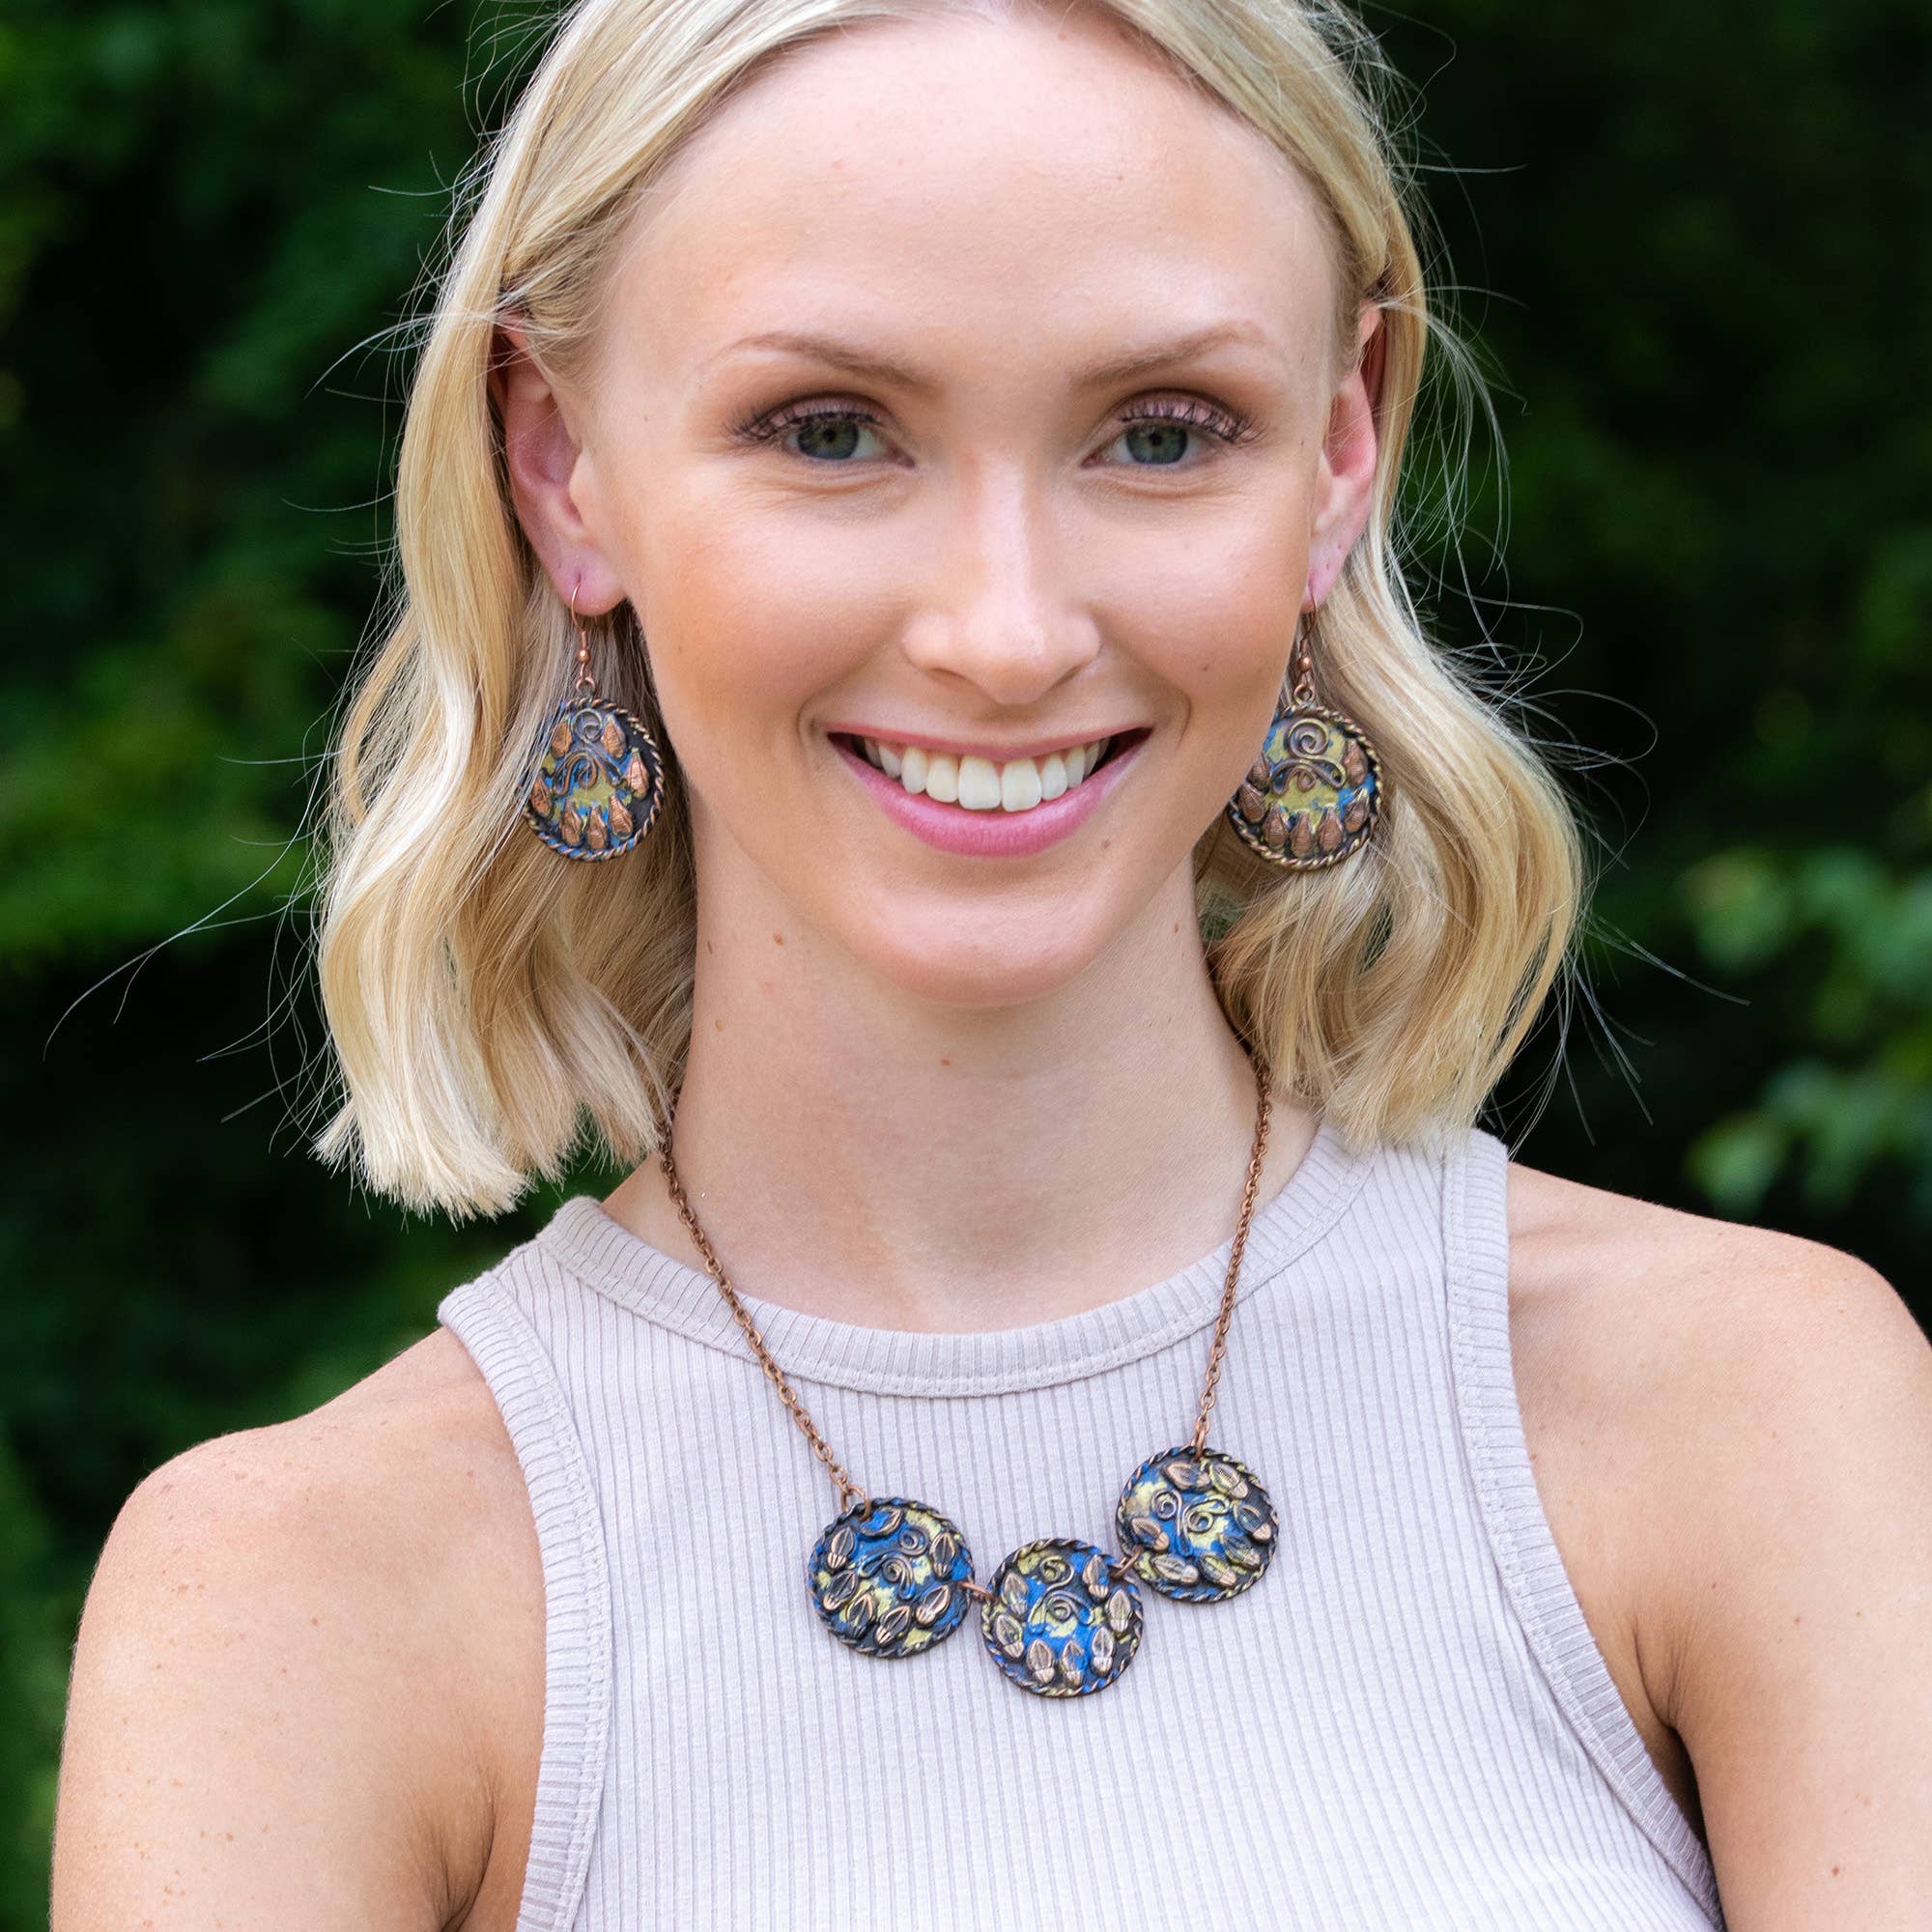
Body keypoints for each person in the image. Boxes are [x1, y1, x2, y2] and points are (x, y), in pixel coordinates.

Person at [49, 0, 1931, 1925]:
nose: (1008, 630)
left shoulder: (1749, 1406)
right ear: (561, 466)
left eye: (1163, 431)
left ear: (1344, 445)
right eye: (832, 430)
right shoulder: (294, 1606)